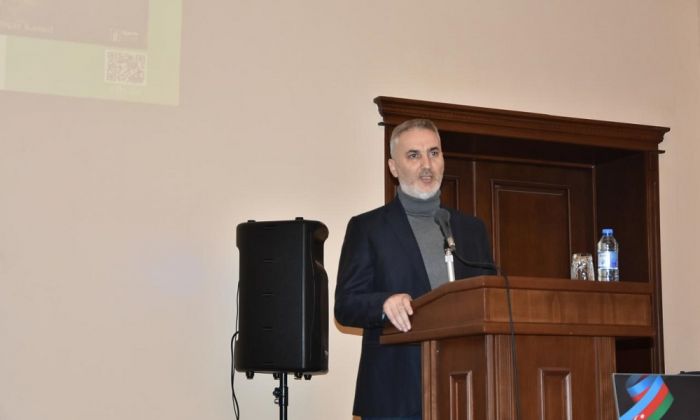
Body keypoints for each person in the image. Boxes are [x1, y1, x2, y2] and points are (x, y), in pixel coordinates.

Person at [334, 118, 495, 419]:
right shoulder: (368, 228)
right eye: (414, 155)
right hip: (396, 393)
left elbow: (491, 299)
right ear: (393, 168)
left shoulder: (471, 229)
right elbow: (346, 304)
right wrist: (383, 303)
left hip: (467, 390)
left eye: (434, 153)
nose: (427, 165)